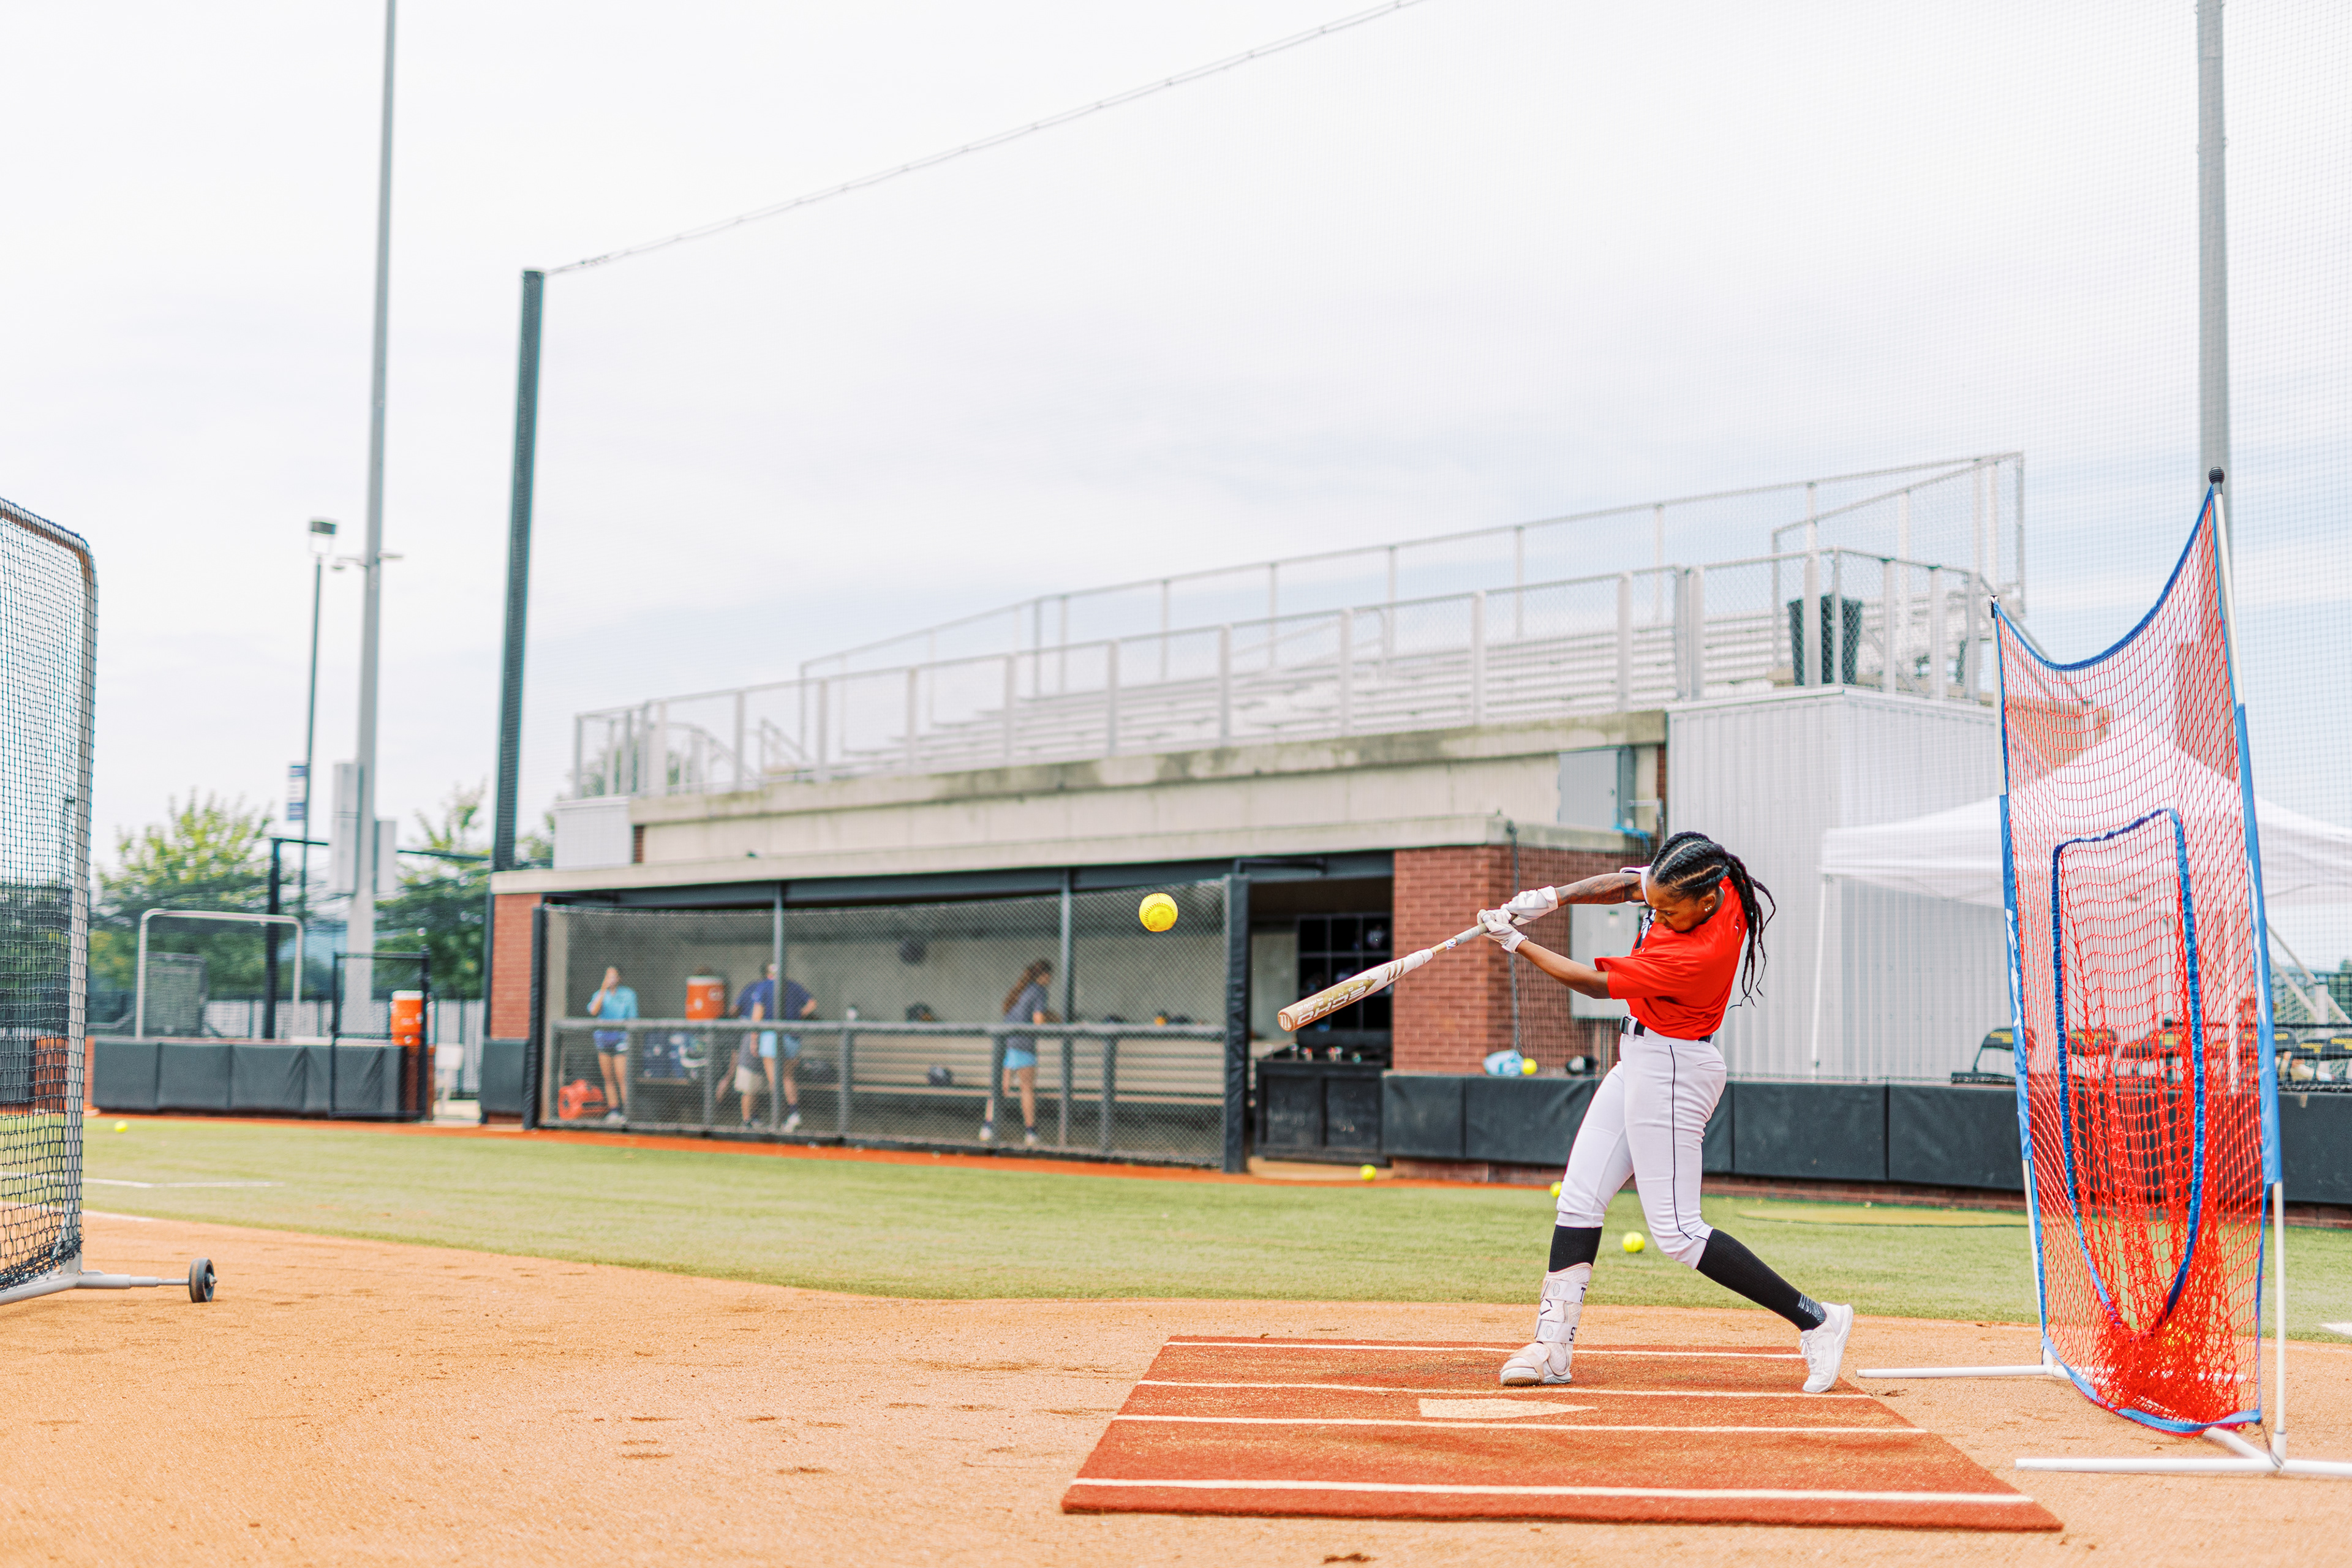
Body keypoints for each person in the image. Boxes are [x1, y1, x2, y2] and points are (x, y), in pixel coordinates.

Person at [1478, 831, 1854, 1392]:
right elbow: (1629, 886)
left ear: (1705, 904)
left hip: (1673, 1068)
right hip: (1642, 1056)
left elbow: (1595, 985)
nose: (1655, 914)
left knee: (1679, 1232)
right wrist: (1552, 898)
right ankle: (1552, 1348)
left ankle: (1818, 1320)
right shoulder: (1711, 879)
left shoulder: (1694, 955)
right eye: (1653, 904)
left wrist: (1517, 943)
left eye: (1666, 910)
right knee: (1579, 1197)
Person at [733, 961, 816, 1133]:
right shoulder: (792, 985)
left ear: (768, 974)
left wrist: (754, 1039)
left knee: (775, 1080)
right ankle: (793, 1113)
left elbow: (757, 1015)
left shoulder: (764, 986)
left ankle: (779, 1118)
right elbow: (812, 1004)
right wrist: (798, 1015)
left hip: (771, 1035)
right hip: (792, 1035)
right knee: (787, 1077)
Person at [982, 958, 1053, 1148]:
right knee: (1027, 1088)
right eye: (1049, 976)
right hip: (1023, 1044)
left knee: (1001, 1087)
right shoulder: (1040, 991)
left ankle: (988, 1127)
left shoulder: (1022, 988)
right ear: (1044, 976)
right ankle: (1031, 1132)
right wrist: (1051, 1023)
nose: (1050, 980)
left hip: (1005, 1043)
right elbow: (1039, 1020)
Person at [586, 965, 638, 1125]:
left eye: (614, 976)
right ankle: (614, 1112)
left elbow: (633, 1018)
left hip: (621, 1041)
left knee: (622, 1077)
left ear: (619, 978)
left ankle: (628, 1113)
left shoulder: (628, 995)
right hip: (603, 1041)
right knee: (608, 1078)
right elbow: (593, 1011)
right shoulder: (599, 994)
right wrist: (603, 990)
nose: (611, 979)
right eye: (608, 976)